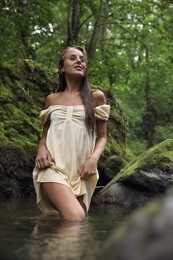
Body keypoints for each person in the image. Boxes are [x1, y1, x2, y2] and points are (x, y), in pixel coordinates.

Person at [33, 46, 110, 221]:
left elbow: (103, 137)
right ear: (62, 67)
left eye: (82, 59)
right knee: (76, 219)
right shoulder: (51, 99)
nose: (79, 62)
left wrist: (93, 159)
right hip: (52, 168)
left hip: (82, 172)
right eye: (73, 58)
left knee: (75, 227)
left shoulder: (96, 97)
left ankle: (46, 248)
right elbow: (45, 134)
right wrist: (41, 148)